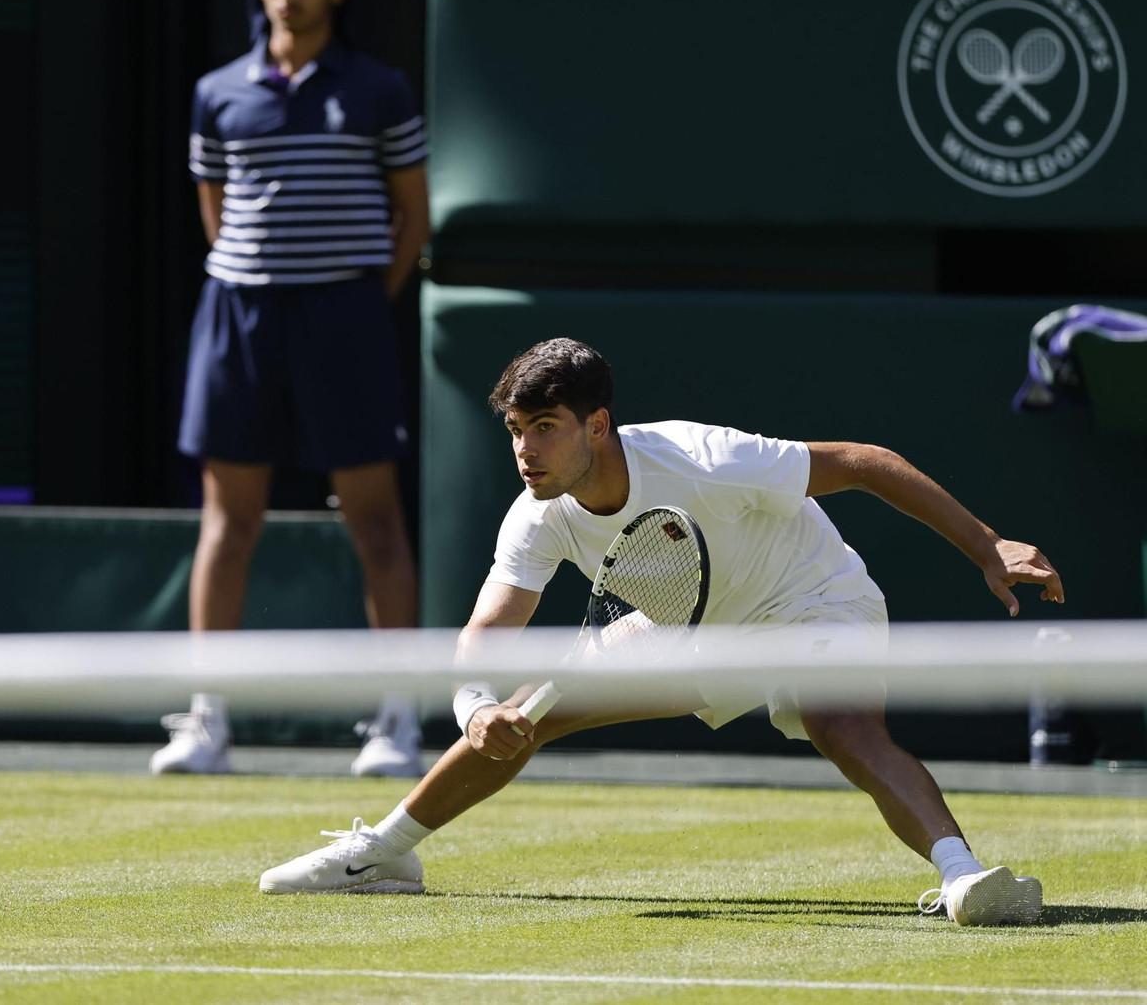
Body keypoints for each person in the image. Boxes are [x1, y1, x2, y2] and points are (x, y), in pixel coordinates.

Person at [259, 338, 1066, 927]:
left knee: (841, 723)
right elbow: (486, 631)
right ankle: (385, 853)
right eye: (515, 429)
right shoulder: (536, 515)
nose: (525, 451)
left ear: (597, 425)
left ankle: (963, 878)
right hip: (692, 625)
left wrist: (987, 546)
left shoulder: (705, 458)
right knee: (527, 713)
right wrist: (476, 707)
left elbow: (863, 460)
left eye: (545, 427)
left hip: (811, 599)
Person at [153, 0, 430, 778]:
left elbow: (412, 218)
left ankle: (398, 719)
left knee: (375, 521)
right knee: (227, 523)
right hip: (239, 317)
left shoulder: (379, 89)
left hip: (344, 317)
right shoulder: (217, 93)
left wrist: (354, 301)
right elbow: (216, 213)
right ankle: (207, 721)